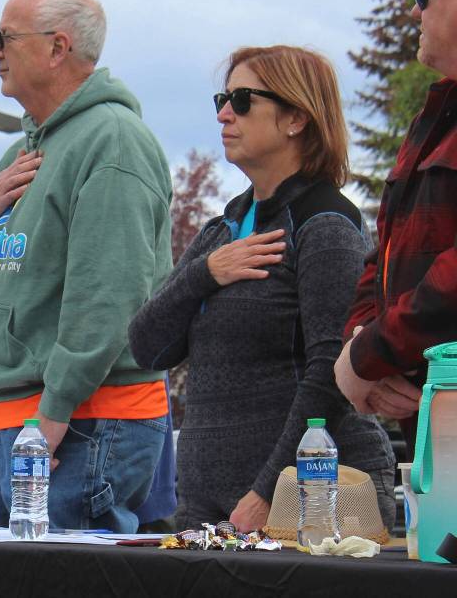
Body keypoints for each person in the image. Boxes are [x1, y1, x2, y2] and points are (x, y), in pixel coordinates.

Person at [129, 45, 396, 532]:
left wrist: (267, 490)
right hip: (213, 513)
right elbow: (147, 345)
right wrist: (203, 273)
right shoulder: (224, 230)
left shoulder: (326, 224)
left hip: (308, 503)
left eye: (243, 100)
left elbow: (333, 371)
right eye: (221, 100)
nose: (225, 114)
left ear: (296, 118)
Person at [0, 0, 173, 533]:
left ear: (57, 47)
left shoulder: (113, 140)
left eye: (4, 37)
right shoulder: (23, 151)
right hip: (29, 422)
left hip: (83, 423)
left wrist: (50, 418)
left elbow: (108, 298)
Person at [335, 0, 457, 460]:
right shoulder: (435, 119)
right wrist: (363, 350)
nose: (414, 11)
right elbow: (383, 255)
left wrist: (367, 355)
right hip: (433, 420)